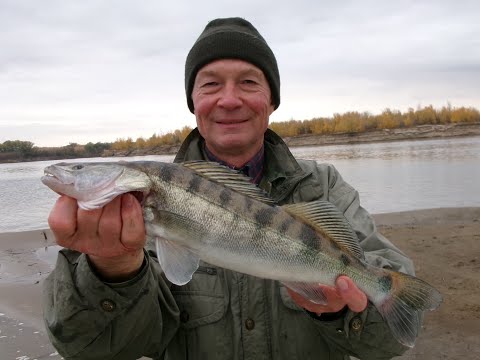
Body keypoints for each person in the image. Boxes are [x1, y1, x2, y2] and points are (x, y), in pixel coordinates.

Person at [43, 17, 418, 359]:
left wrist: (340, 311)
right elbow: (87, 347)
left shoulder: (323, 187)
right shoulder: (131, 212)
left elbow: (388, 345)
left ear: (272, 100)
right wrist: (113, 269)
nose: (229, 99)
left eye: (249, 82)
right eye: (210, 84)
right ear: (194, 102)